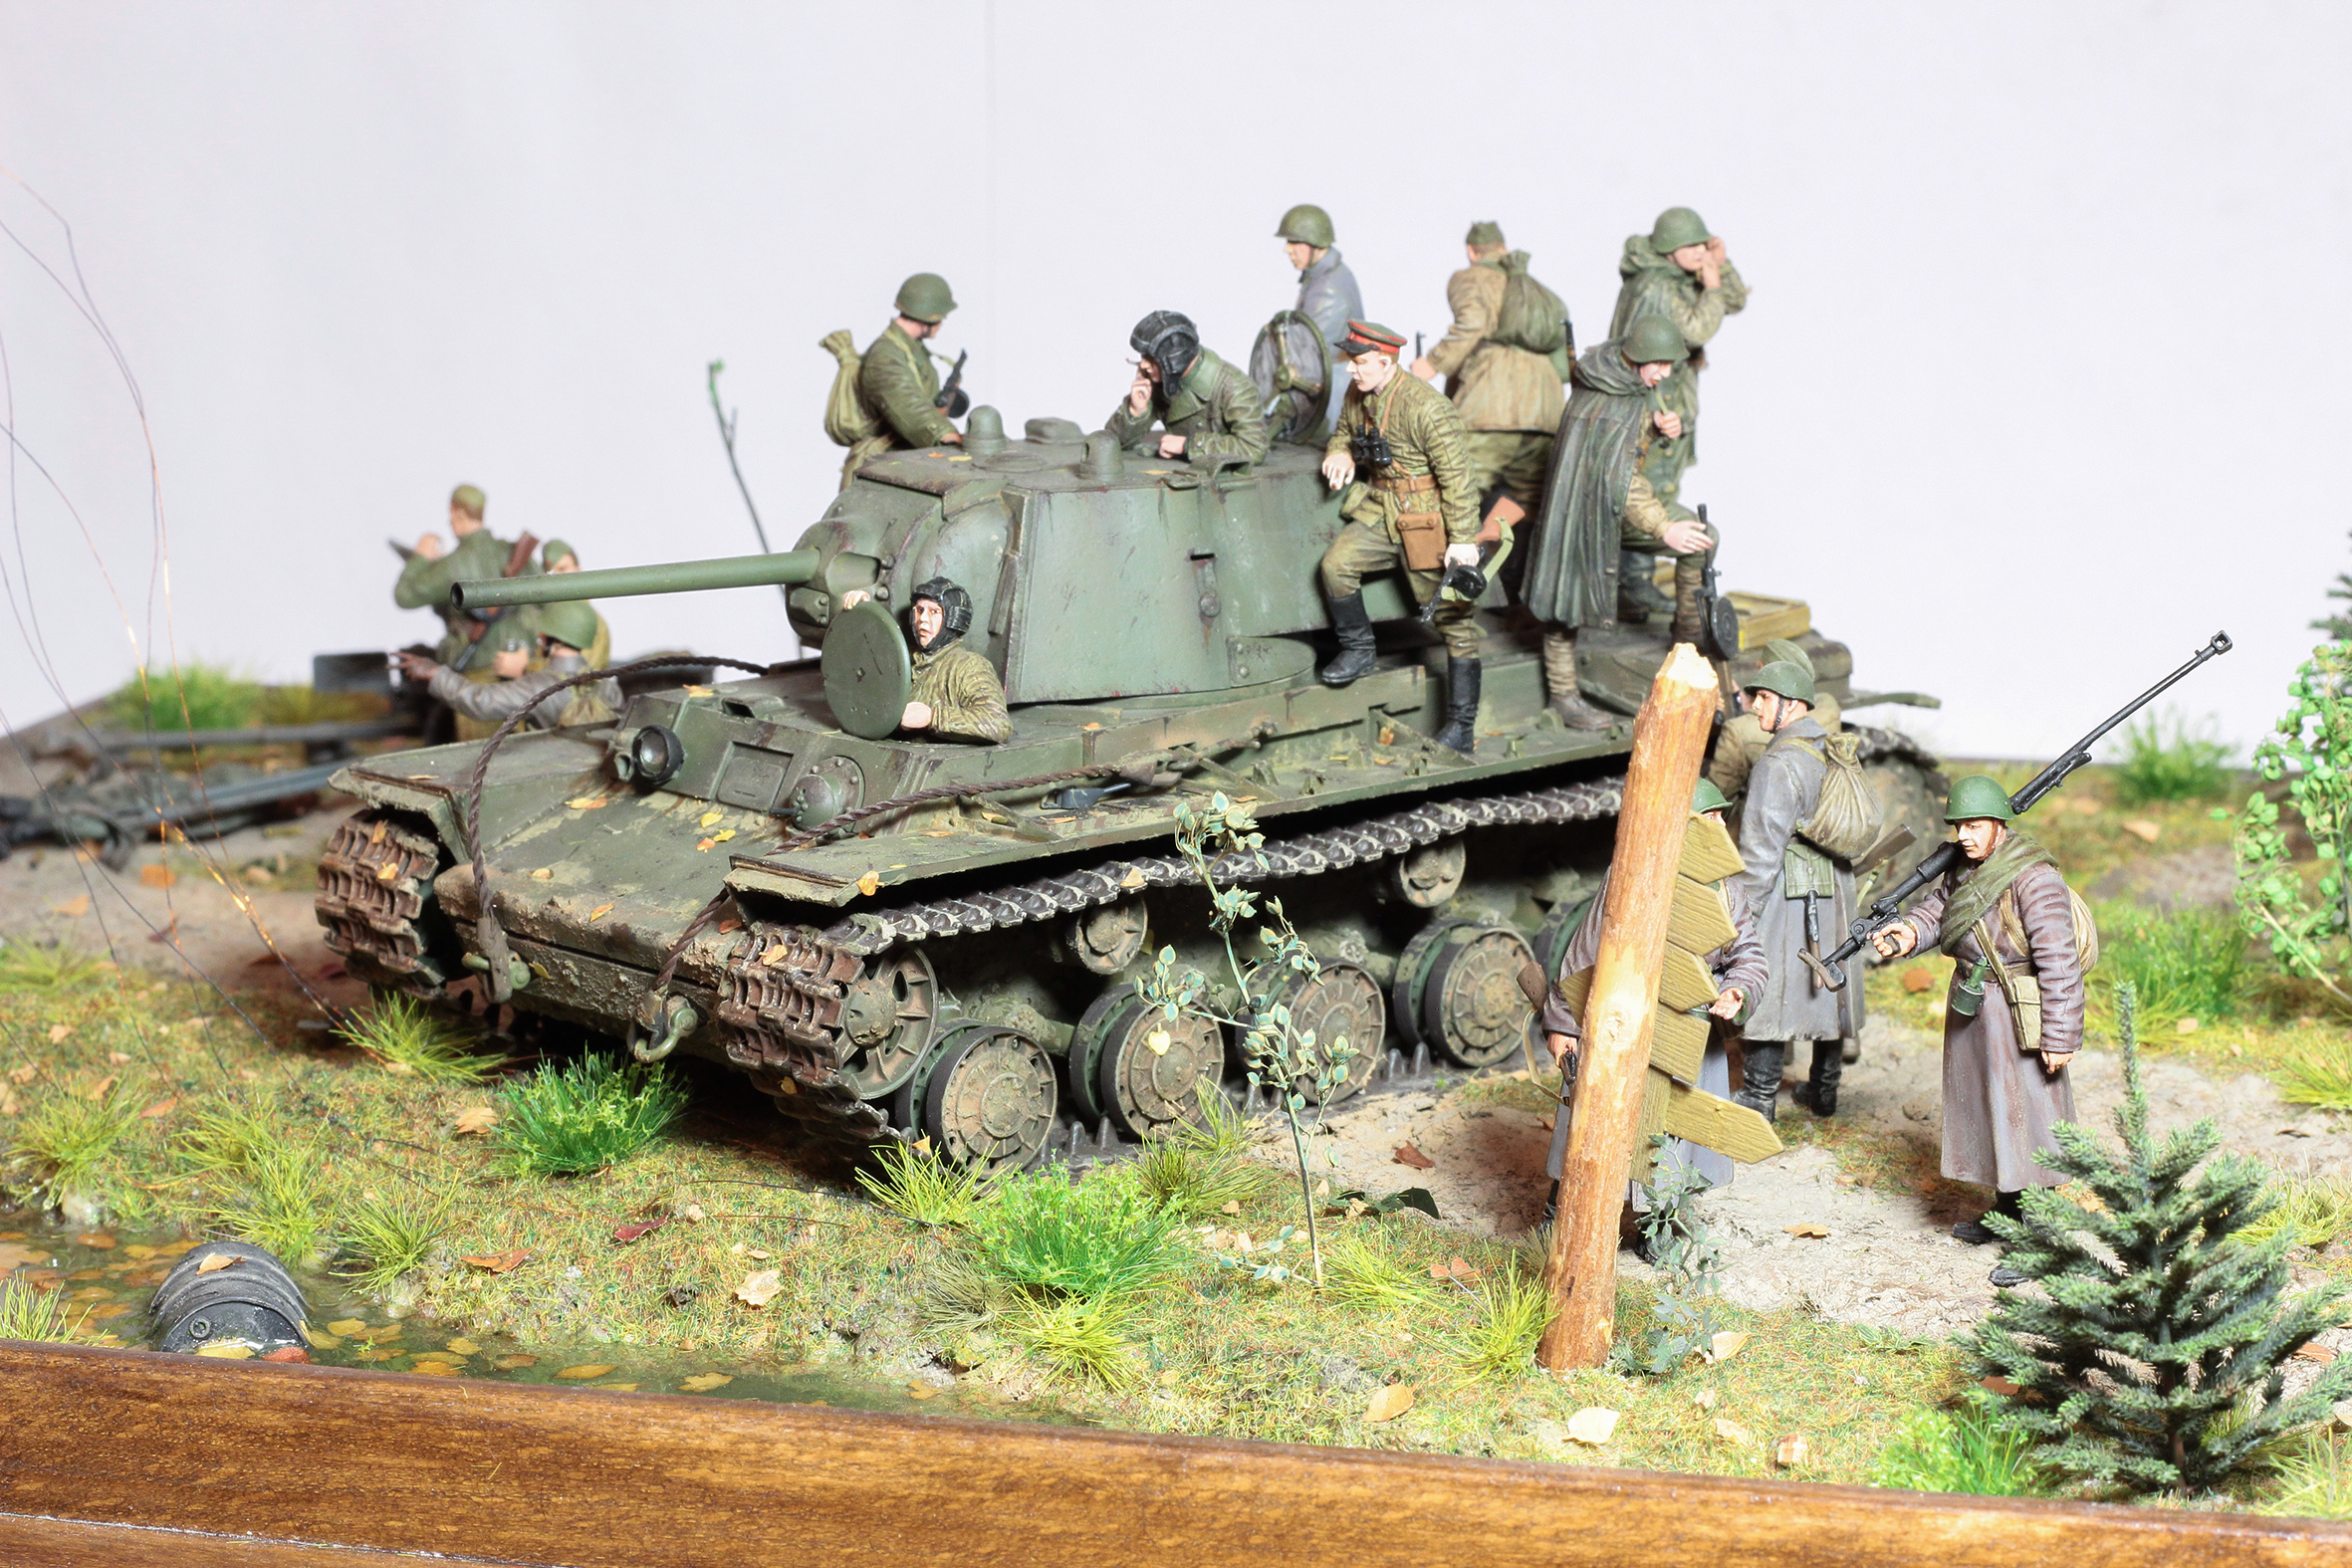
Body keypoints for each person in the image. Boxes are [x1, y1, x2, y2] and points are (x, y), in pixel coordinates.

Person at [1871, 776, 2084, 1289]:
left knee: (2028, 1121)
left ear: (1998, 825)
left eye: (1974, 826)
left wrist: (2060, 1036)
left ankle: (2040, 1239)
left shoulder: (2033, 877)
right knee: (1990, 1113)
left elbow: (2060, 962)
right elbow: (1941, 911)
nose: (1964, 836)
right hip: (1973, 1007)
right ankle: (2006, 1213)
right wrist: (1908, 933)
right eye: (1959, 827)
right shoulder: (1965, 868)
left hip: (2016, 1013)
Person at [1539, 779, 1765, 1223]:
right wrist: (1563, 1025)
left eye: (1722, 816)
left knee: (1679, 1137)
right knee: (1591, 1127)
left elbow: (1750, 954)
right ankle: (1560, 1216)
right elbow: (1585, 955)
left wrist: (1737, 988)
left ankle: (1661, 1225)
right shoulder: (1631, 877)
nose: (1722, 825)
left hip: (1691, 1033)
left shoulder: (1726, 889)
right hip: (1627, 1025)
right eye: (1710, 817)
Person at [1521, 317, 1720, 731]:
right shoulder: (1613, 402)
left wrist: (1654, 428)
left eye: (1669, 365)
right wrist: (1663, 527)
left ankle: (1687, 645)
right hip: (1582, 516)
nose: (1665, 373)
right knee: (1564, 604)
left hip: (1609, 509)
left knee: (1703, 540)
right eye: (1660, 364)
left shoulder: (1620, 382)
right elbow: (1620, 480)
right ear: (1638, 357)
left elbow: (1621, 454)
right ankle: (1564, 695)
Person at [1313, 320, 1497, 755]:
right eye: (1351, 361)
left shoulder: (1427, 407)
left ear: (1386, 362)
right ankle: (1359, 650)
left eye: (1360, 362)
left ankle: (1462, 725)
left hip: (1427, 518)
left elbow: (1459, 479)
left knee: (1454, 620)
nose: (1351, 369)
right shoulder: (1358, 393)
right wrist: (1340, 453)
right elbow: (1343, 433)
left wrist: (1462, 540)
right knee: (1336, 566)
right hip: (1381, 508)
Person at [1727, 659, 1855, 1121]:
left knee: (1768, 979)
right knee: (1832, 985)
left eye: (1764, 697)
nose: (1755, 706)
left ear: (1792, 703)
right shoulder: (1830, 747)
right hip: (1836, 885)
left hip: (1787, 887)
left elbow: (1761, 852)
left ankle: (1759, 1097)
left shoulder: (1777, 762)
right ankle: (1824, 1090)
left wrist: (1739, 917)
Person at [1609, 206, 1749, 623]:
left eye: (1704, 243)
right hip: (1652, 400)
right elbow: (1696, 329)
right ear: (1670, 249)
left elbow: (1734, 301)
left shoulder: (1674, 275)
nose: (1701, 251)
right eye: (1693, 246)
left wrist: (1721, 267)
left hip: (1671, 394)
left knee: (1663, 484)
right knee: (1646, 488)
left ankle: (1636, 580)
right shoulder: (1657, 286)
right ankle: (1632, 583)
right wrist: (1711, 286)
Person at [1408, 222, 1565, 536]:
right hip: (1546, 412)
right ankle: (1493, 550)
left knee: (1456, 485)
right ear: (1502, 249)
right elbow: (1562, 367)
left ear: (1472, 251)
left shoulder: (1471, 277)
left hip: (1491, 406)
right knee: (1526, 498)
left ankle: (1451, 561)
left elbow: (1473, 322)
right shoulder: (1535, 291)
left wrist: (1432, 363)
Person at [394, 599, 620, 735]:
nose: (539, 638)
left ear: (555, 640)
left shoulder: (541, 687)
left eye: (543, 635)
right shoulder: (608, 686)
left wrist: (436, 673)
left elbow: (481, 701)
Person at [841, 578, 1010, 745]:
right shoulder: (903, 657)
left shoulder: (969, 666)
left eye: (934, 612)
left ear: (953, 619)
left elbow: (998, 723)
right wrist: (861, 612)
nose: (922, 619)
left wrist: (933, 717)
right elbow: (861, 667)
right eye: (920, 610)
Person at [841, 274, 964, 488]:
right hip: (878, 471)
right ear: (929, 318)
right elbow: (908, 404)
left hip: (904, 462)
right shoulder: (885, 356)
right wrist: (946, 434)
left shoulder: (910, 348)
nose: (942, 323)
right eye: (941, 317)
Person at [1106, 312, 1269, 465]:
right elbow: (1109, 444)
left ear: (1175, 359)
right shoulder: (1158, 377)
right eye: (1143, 357)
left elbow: (1253, 447)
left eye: (1151, 359)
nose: (1143, 365)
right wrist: (1136, 411)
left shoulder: (1234, 386)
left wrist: (1188, 445)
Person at [393, 484, 529, 667]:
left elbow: (404, 596)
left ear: (458, 513)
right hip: (521, 659)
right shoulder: (510, 552)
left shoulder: (452, 565)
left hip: (474, 666)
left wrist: (420, 557)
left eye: (451, 513)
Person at [1707, 638, 1844, 804]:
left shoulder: (1737, 731)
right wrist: (1751, 706)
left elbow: (1714, 800)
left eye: (1764, 695)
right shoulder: (1829, 705)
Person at [1277, 203, 1364, 371]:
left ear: (1315, 244)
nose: (1288, 249)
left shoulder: (1328, 289)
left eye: (1295, 242)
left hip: (1333, 383)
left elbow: (1311, 354)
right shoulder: (1323, 278)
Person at [534, 540, 611, 670]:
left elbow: (580, 672)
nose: (556, 577)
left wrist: (523, 668)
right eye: (549, 572)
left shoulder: (589, 621)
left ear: (578, 570)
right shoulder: (545, 617)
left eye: (563, 569)